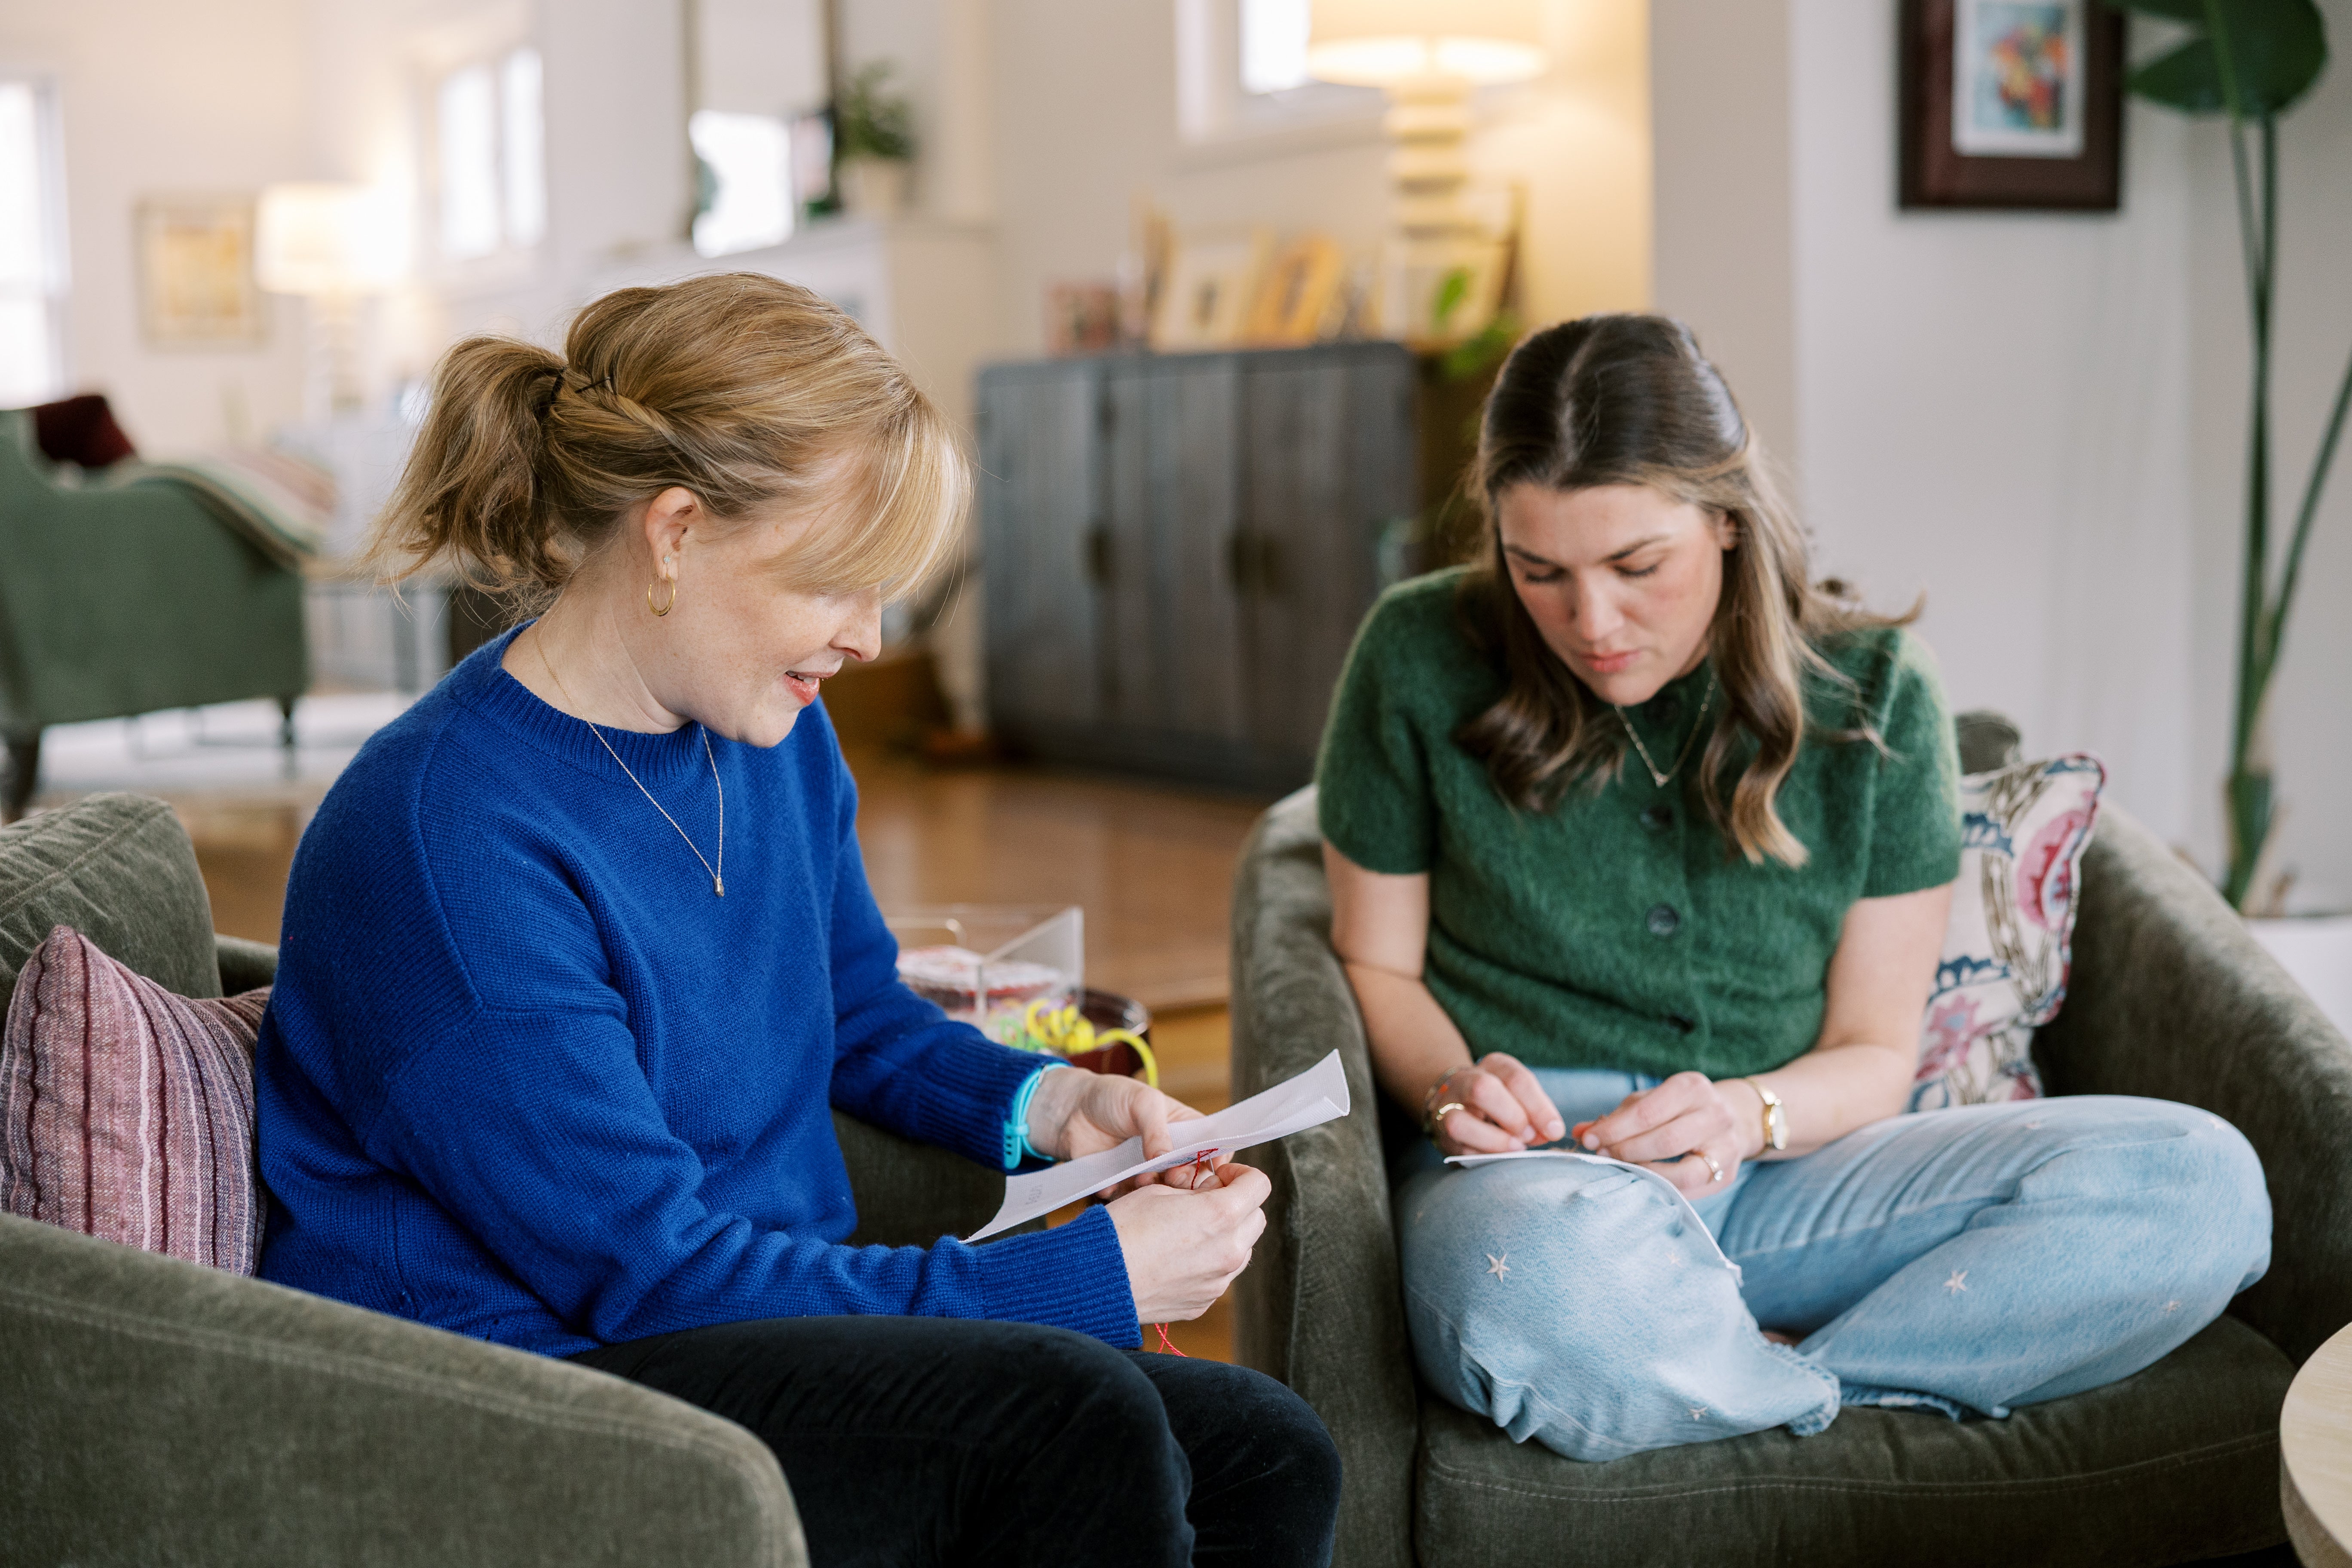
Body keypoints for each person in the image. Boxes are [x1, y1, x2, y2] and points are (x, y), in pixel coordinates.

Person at [253, 273, 1340, 1564]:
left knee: (1270, 1450)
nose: (873, 641)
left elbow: (858, 1016)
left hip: (740, 1327)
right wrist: (1089, 1279)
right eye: (838, 583)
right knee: (1079, 1423)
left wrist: (1056, 1109)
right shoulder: (444, 844)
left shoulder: (764, 727)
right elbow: (652, 1272)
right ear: (675, 534)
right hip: (539, 1392)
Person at [1316, 312, 2272, 1461]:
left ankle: (1754, 1381)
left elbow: (1876, 1051)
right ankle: (1780, 1379)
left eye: (1637, 567)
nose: (1592, 623)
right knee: (1528, 1291)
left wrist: (1741, 1112)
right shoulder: (1415, 652)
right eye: (1541, 574)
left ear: (1724, 519)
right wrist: (1452, 1090)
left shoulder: (1875, 693)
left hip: (1787, 1172)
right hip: (1538, 1192)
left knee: (2203, 1184)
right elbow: (1375, 960)